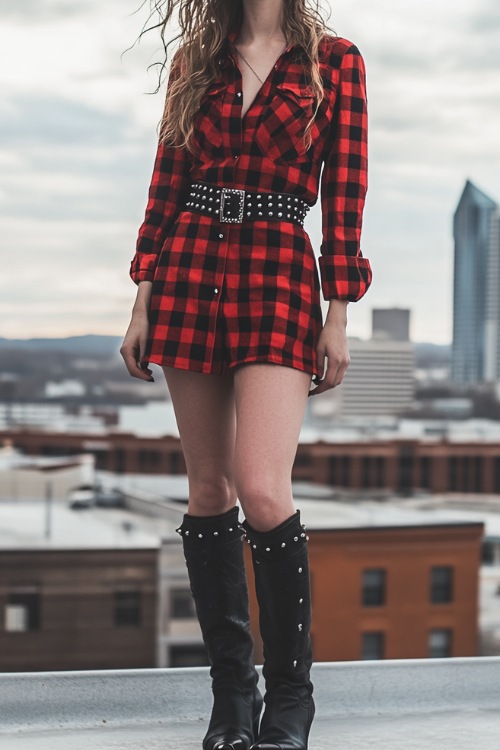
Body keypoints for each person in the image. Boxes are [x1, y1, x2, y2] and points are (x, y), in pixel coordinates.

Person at [120, 0, 372, 747]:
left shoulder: (337, 61)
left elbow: (347, 196)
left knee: (263, 487)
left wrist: (339, 312)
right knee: (209, 489)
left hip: (278, 271)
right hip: (189, 265)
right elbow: (165, 185)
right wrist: (142, 296)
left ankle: (291, 697)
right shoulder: (196, 60)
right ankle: (233, 698)